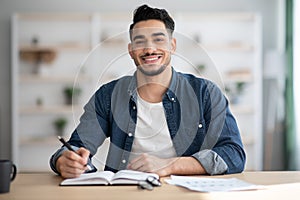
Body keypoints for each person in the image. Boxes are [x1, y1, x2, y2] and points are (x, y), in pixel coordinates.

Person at [50, 4, 246, 178]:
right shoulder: (108, 95)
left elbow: (234, 154)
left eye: (158, 40)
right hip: (125, 193)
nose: (149, 49)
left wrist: (170, 165)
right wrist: (65, 162)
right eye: (140, 41)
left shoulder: (205, 93)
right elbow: (77, 146)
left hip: (185, 193)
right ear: (131, 50)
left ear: (172, 45)